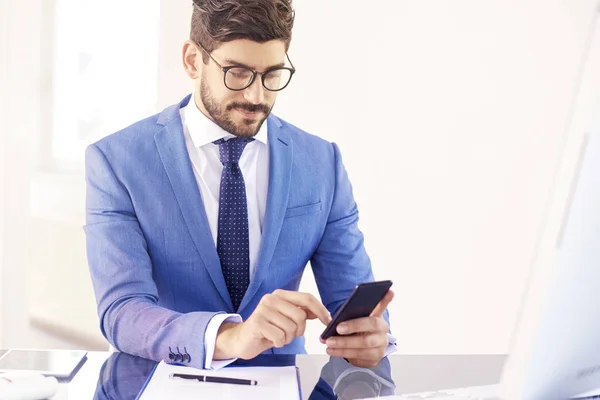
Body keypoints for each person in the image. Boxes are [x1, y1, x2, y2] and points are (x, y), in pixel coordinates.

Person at [84, 0, 395, 371]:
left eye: (272, 74)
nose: (256, 96)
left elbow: (351, 301)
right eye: (237, 73)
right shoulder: (117, 161)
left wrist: (370, 338)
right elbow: (122, 311)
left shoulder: (321, 162)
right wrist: (230, 336)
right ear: (192, 60)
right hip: (161, 380)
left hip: (283, 383)